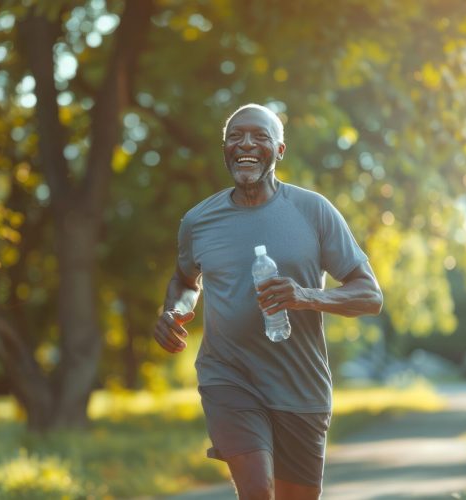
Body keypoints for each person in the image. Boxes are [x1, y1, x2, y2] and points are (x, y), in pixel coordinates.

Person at [154, 103, 383, 499]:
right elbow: (185, 280)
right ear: (225, 148)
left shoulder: (314, 211)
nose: (246, 143)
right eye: (236, 136)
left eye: (260, 136)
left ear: (279, 151)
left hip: (300, 384)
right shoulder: (198, 221)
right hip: (228, 376)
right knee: (257, 491)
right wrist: (174, 309)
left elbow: (370, 295)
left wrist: (305, 295)